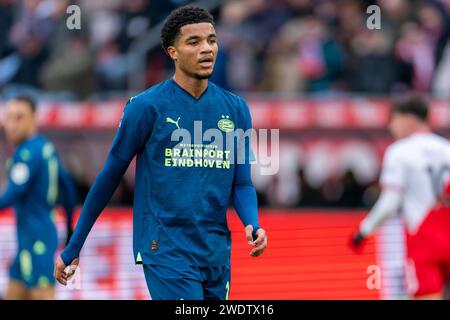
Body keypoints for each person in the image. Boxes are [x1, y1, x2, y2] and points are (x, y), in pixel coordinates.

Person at [54, 6, 267, 300]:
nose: (206, 49)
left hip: (216, 252)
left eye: (211, 40)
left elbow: (242, 183)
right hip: (165, 249)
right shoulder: (146, 107)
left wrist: (252, 223)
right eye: (194, 42)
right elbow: (109, 176)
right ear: (172, 52)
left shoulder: (236, 109)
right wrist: (74, 245)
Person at [350, 95, 450, 299]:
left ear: (409, 119)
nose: (391, 126)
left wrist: (363, 231)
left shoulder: (399, 152)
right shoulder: (446, 149)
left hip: (424, 239)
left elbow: (390, 201)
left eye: (394, 119)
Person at [0, 96, 77, 300]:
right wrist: (70, 228)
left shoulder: (27, 153)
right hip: (33, 237)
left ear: (34, 119)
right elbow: (68, 188)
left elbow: (13, 193)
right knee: (13, 291)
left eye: (19, 118)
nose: (12, 125)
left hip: (37, 241)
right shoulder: (45, 148)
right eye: (8, 118)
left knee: (42, 294)